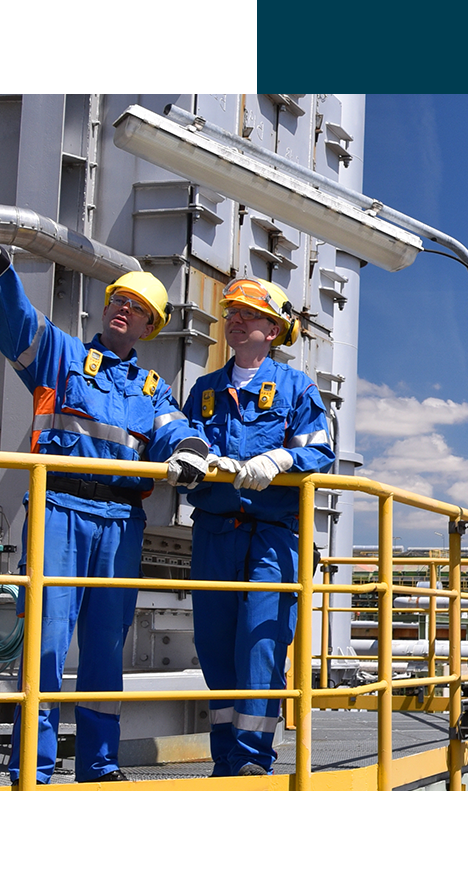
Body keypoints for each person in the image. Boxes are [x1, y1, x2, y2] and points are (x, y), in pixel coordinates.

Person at [0, 218, 211, 784]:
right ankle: (36, 767)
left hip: (121, 523)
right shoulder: (62, 358)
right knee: (46, 645)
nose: (124, 309)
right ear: (106, 309)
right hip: (60, 514)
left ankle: (98, 765)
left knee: (104, 651)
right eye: (118, 300)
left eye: (136, 307)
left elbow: (178, 431)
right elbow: (17, 325)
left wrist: (193, 451)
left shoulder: (151, 391)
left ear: (150, 326)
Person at [181, 277, 335, 777]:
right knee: (213, 642)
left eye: (249, 314)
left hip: (274, 535)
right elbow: (187, 445)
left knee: (261, 644)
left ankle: (251, 760)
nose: (236, 321)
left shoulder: (295, 387)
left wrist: (281, 457)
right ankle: (224, 756)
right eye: (232, 313)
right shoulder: (204, 391)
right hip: (214, 531)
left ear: (273, 329)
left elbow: (321, 450)